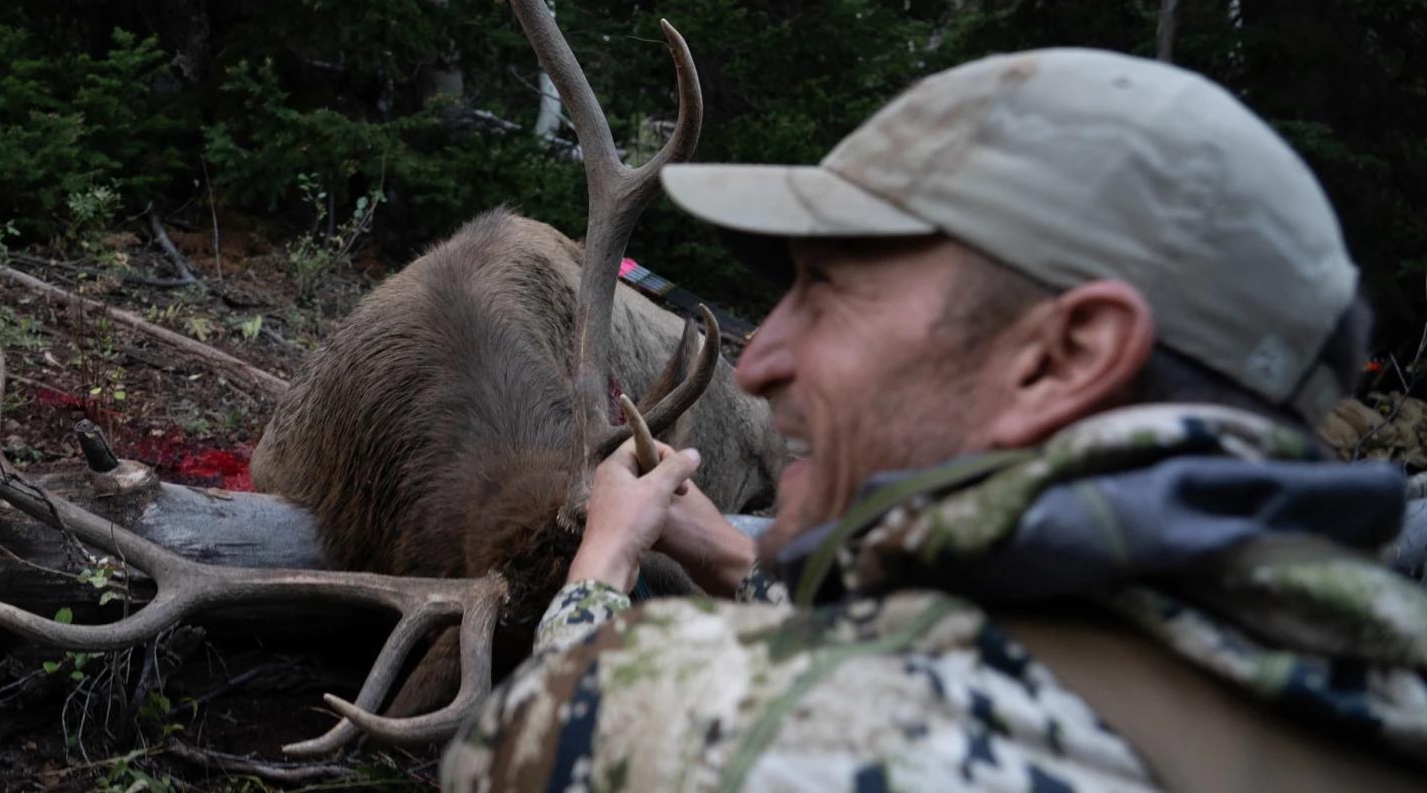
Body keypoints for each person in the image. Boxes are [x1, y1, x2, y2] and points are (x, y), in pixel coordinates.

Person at [440, 49, 1427, 791]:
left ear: (1064, 356)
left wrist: (603, 565)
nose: (766, 357)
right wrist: (737, 558)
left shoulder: (739, 724)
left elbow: (533, 746)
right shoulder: (1360, 690)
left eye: (826, 289)